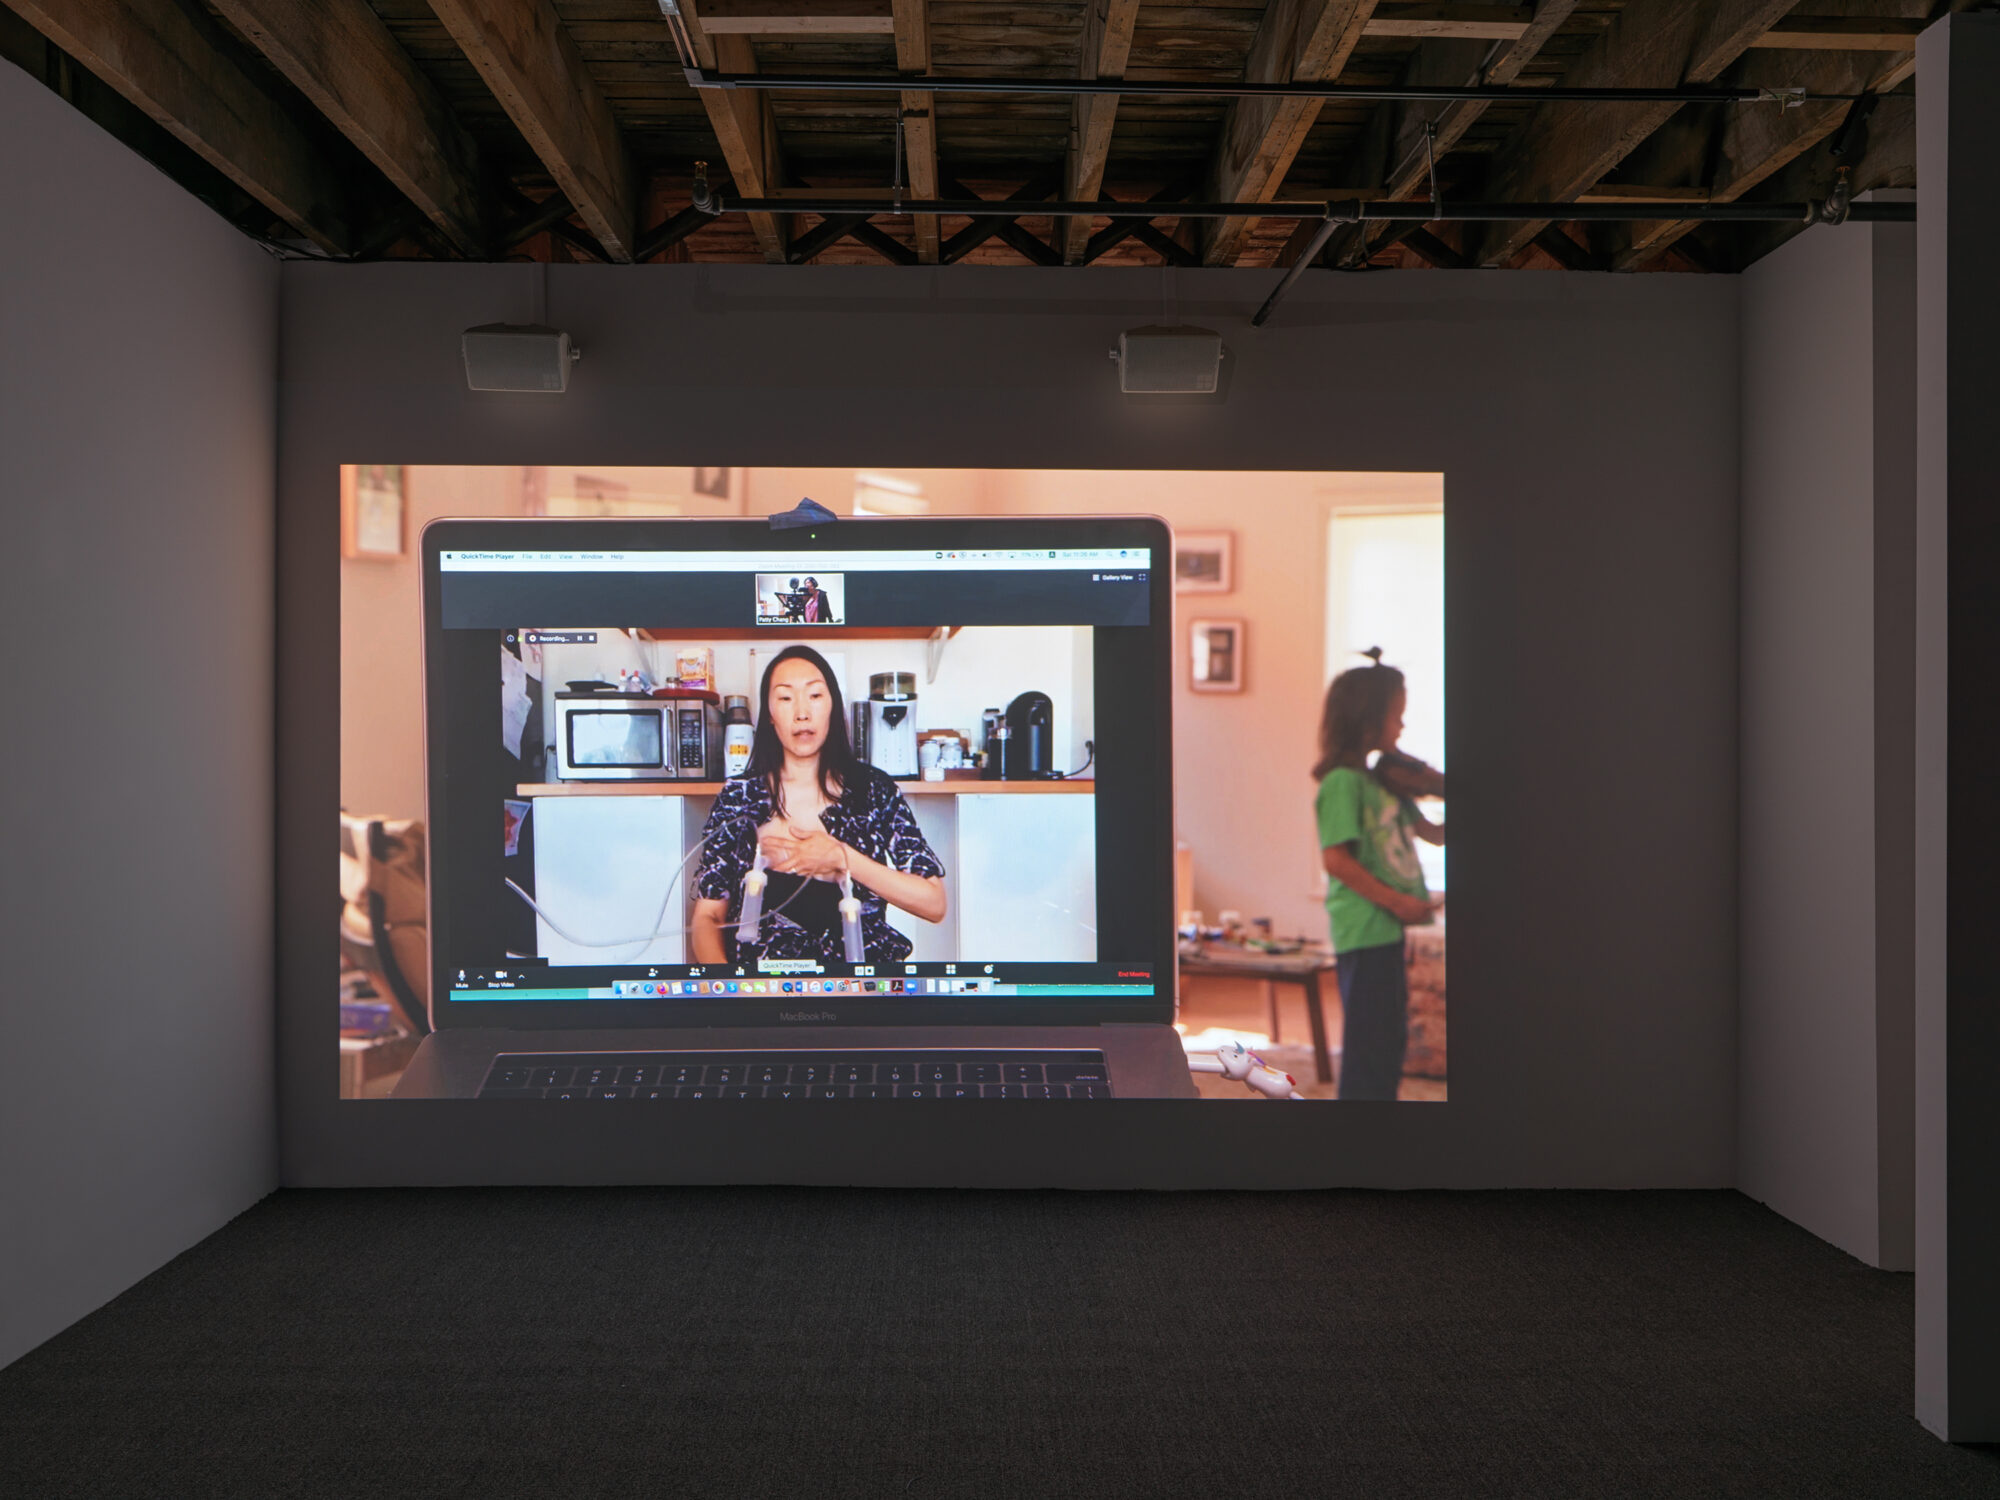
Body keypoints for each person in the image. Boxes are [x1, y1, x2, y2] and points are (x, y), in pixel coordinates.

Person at [690, 645, 946, 965]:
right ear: (769, 715)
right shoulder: (739, 797)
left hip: (858, 996)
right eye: (785, 698)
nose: (802, 713)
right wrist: (732, 996)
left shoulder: (874, 791)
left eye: (814, 696)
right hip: (761, 998)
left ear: (832, 707)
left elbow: (934, 902)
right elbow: (707, 918)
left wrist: (843, 859)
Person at [1312, 656, 1444, 1100]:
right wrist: (1398, 902)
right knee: (1369, 1047)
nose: (1402, 725)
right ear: (1368, 721)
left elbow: (1436, 835)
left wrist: (1441, 783)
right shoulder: (1342, 784)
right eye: (1396, 715)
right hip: (1365, 931)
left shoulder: (1383, 783)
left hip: (1387, 932)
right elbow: (1337, 861)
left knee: (1389, 1043)